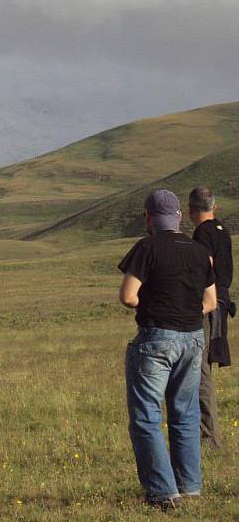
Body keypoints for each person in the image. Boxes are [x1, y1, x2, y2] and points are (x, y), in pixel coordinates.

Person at [118, 189, 216, 510]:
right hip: (193, 337)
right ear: (178, 217)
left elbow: (128, 296)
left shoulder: (147, 247)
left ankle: (163, 492)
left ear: (149, 217)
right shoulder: (200, 251)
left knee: (147, 416)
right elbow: (211, 302)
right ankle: (189, 486)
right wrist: (185, 311)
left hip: (157, 338)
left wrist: (158, 307)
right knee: (186, 414)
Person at [188, 186, 233, 448]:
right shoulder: (222, 230)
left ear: (191, 210)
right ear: (214, 207)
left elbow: (204, 268)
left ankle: (208, 437)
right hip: (222, 301)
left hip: (209, 303)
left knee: (200, 369)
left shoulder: (202, 234)